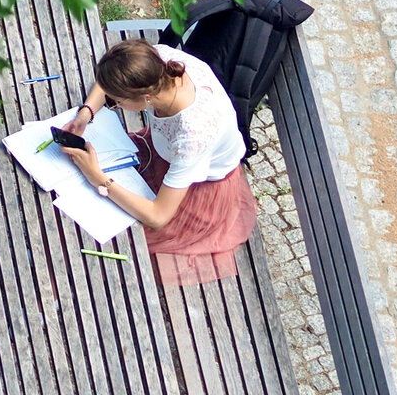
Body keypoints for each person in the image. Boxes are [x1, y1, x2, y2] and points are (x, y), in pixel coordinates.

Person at [59, 38, 257, 284]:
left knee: (118, 234)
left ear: (145, 97)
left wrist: (97, 178)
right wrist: (86, 113)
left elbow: (158, 216)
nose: (113, 104)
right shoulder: (158, 60)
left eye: (117, 102)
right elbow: (108, 80)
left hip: (198, 186)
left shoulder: (192, 136)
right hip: (164, 151)